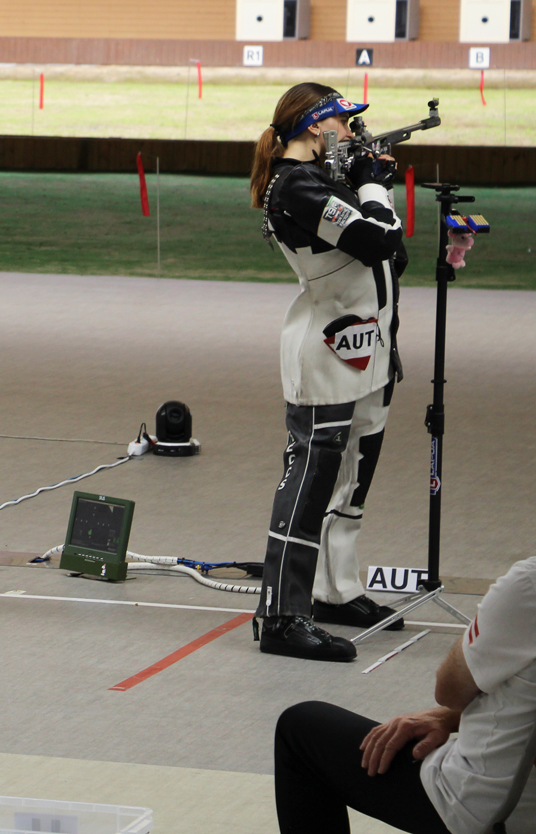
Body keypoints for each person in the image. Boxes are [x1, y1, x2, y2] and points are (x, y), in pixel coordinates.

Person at [248, 82, 408, 661]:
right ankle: (282, 616)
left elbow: (395, 249)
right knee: (311, 480)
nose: (353, 131)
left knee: (352, 477)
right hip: (328, 352)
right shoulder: (296, 185)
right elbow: (378, 239)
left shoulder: (322, 179)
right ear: (317, 126)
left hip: (370, 348)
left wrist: (365, 183)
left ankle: (335, 589)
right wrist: (372, 185)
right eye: (345, 121)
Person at [273, 556, 536, 833]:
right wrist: (449, 718)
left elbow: (450, 690)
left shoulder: (528, 583)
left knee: (300, 728)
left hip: (489, 810)